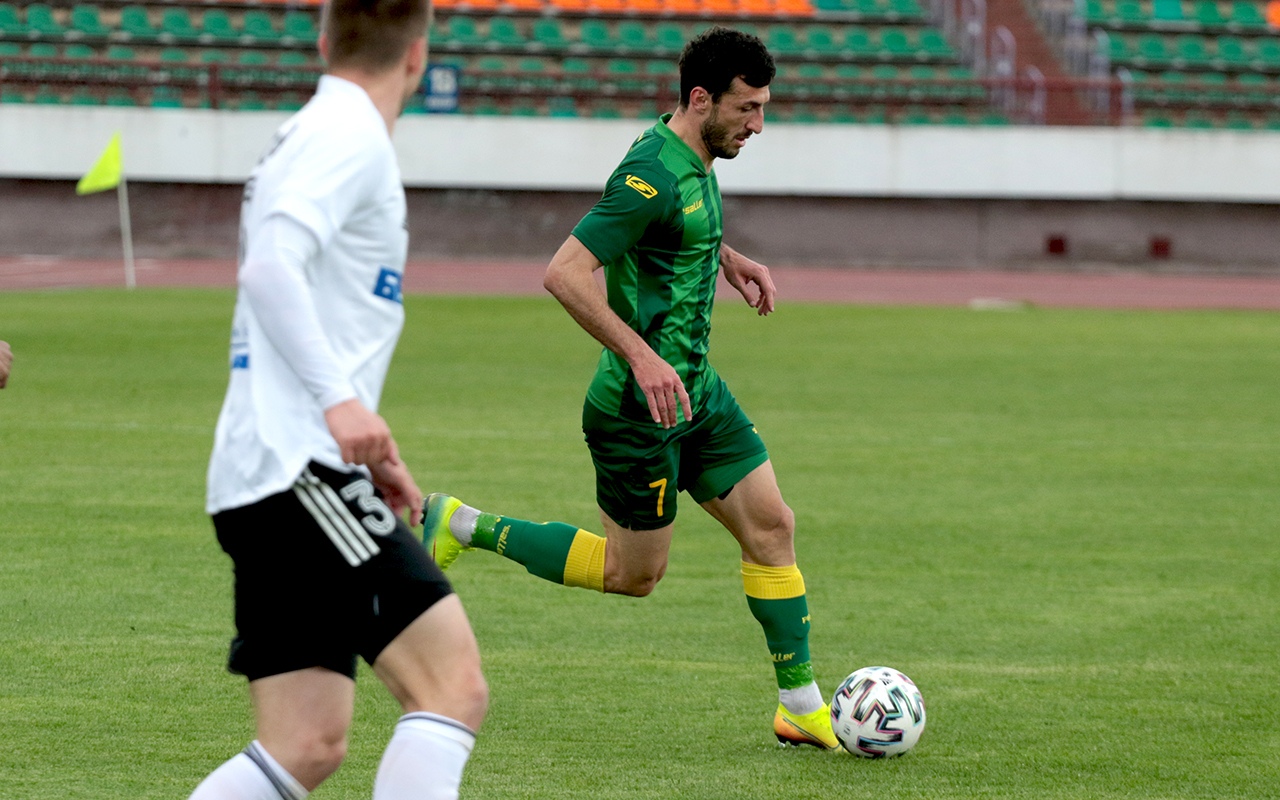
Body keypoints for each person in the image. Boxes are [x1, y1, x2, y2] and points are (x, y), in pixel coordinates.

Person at [426, 26, 837, 750]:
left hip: (697, 393)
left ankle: (800, 708)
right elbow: (563, 273)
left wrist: (726, 257)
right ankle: (463, 524)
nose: (757, 125)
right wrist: (643, 357)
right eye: (747, 109)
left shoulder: (692, 152)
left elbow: (669, 228)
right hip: (637, 410)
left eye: (763, 108)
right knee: (632, 576)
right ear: (701, 99)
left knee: (773, 527)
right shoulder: (649, 171)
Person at [193, 2, 487, 798]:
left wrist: (365, 441)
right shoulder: (347, 134)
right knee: (451, 688)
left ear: (324, 39)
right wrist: (337, 406)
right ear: (419, 55)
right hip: (299, 469)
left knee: (305, 744)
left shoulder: (314, 130)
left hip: (275, 470)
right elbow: (269, 268)